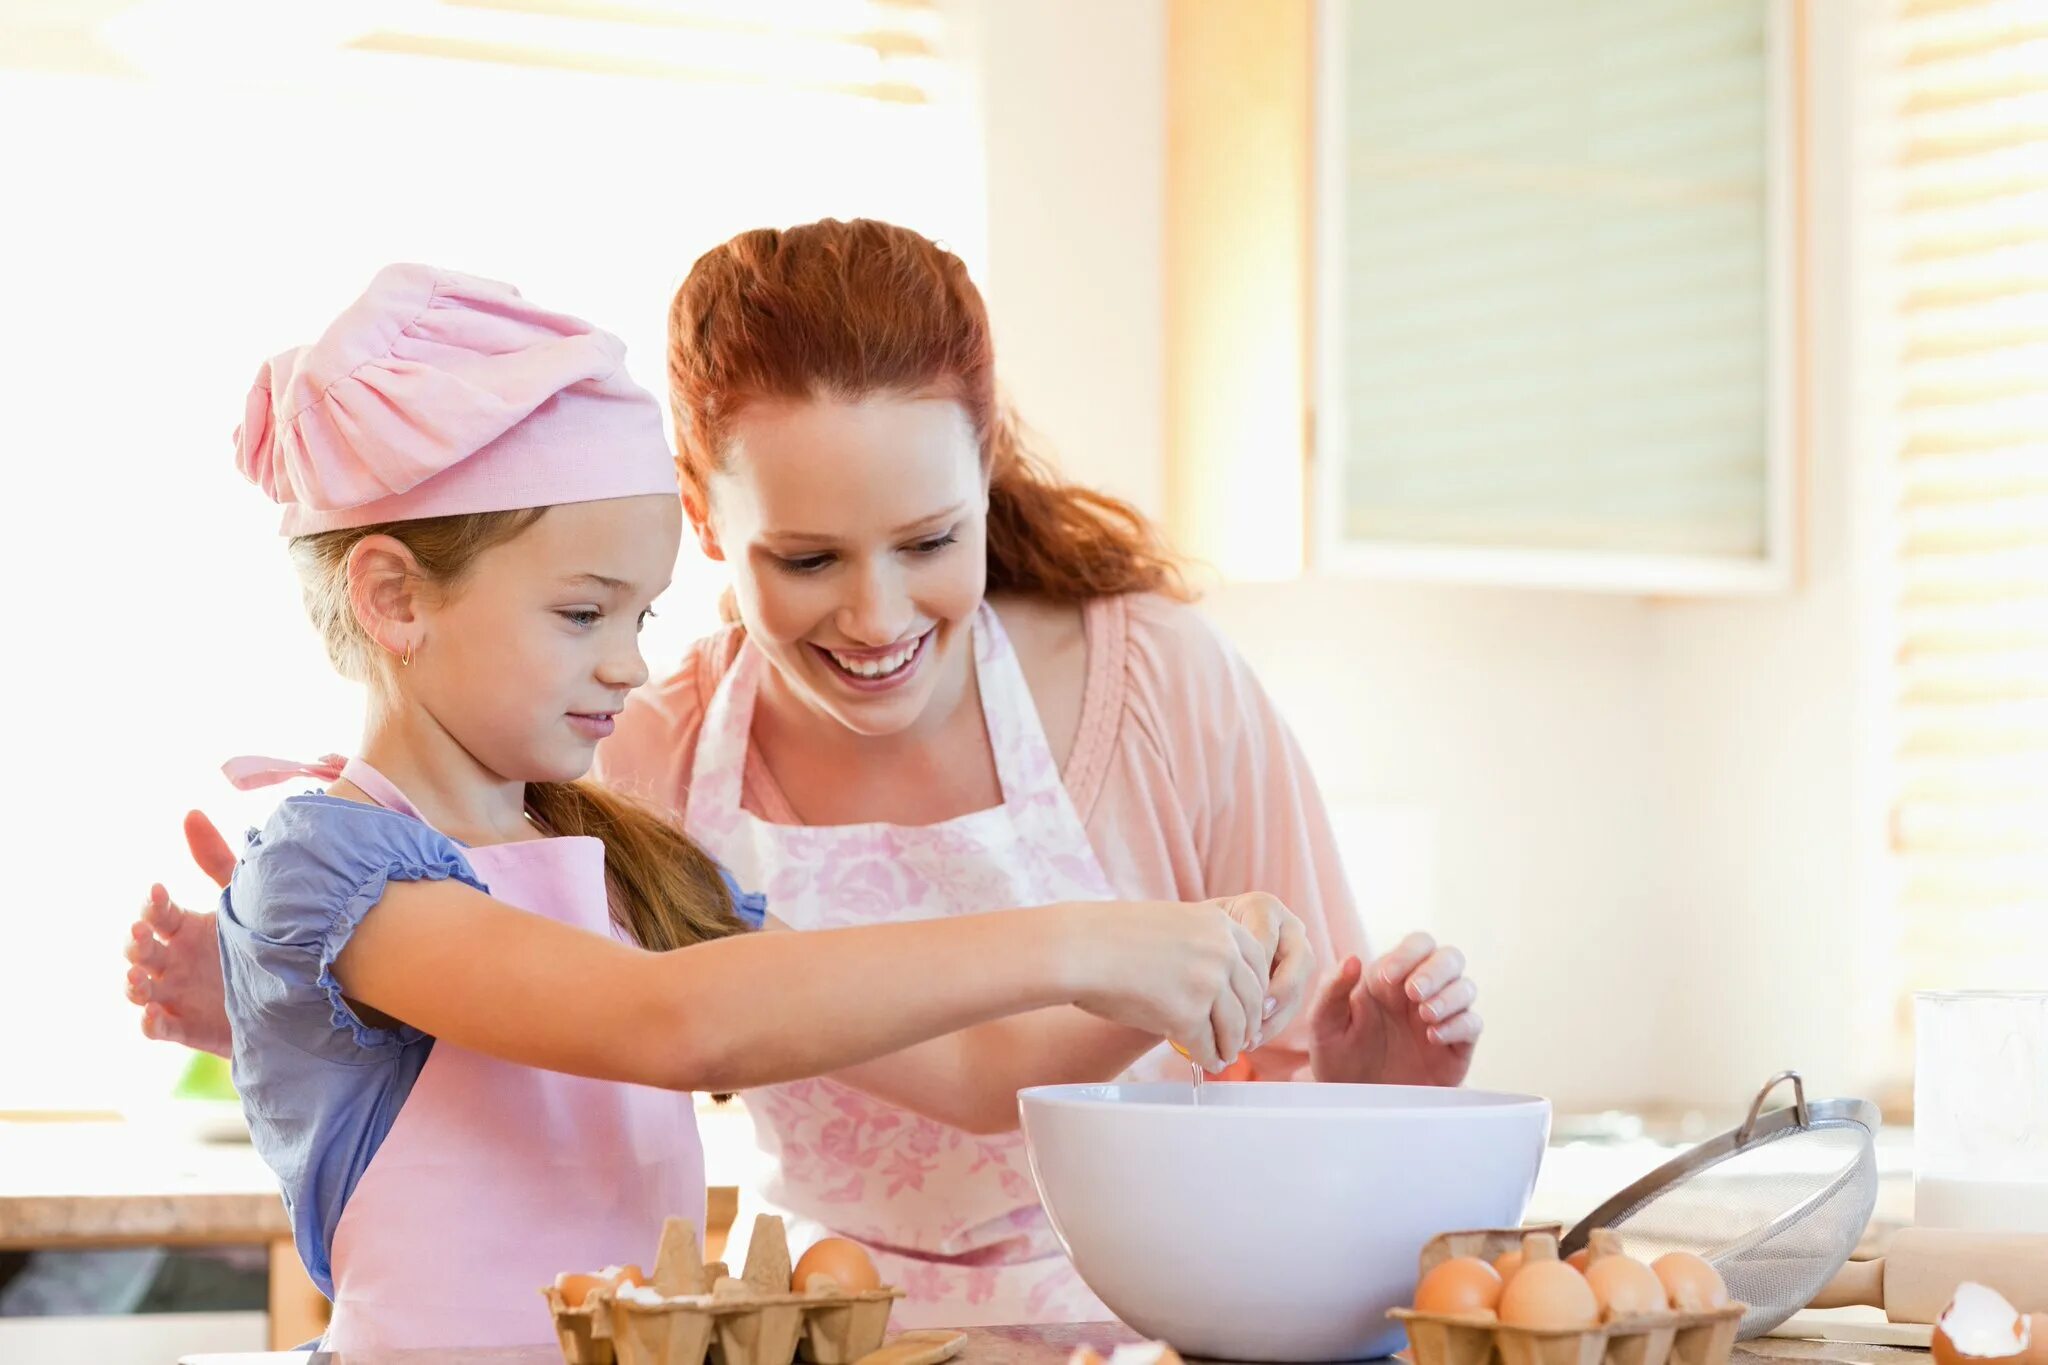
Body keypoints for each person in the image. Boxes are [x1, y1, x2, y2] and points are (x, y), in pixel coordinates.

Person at [127, 220, 1480, 1326]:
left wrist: (1218, 994)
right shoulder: (549, 797)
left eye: (929, 540)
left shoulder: (1158, 684)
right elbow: (670, 1018)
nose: (879, 617)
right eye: (810, 560)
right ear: (710, 516)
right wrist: (1100, 936)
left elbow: (955, 1068)